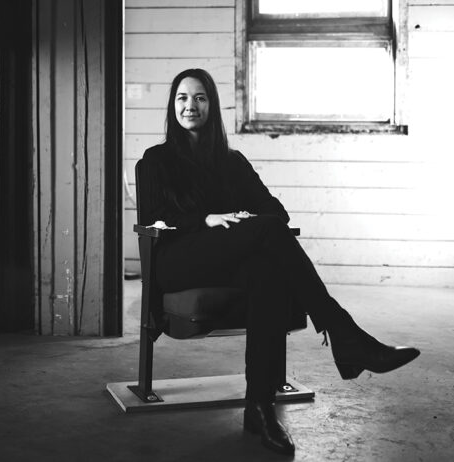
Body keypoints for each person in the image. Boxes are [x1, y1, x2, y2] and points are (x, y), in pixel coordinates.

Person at [138, 68, 420, 456]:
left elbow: (274, 211)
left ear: (212, 105)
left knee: (266, 270)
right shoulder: (155, 161)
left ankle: (259, 408)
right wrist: (206, 220)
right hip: (176, 258)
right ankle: (344, 333)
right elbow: (154, 218)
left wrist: (239, 221)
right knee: (268, 235)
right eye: (183, 98)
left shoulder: (231, 162)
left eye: (200, 97)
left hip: (224, 258)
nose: (191, 105)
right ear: (173, 106)